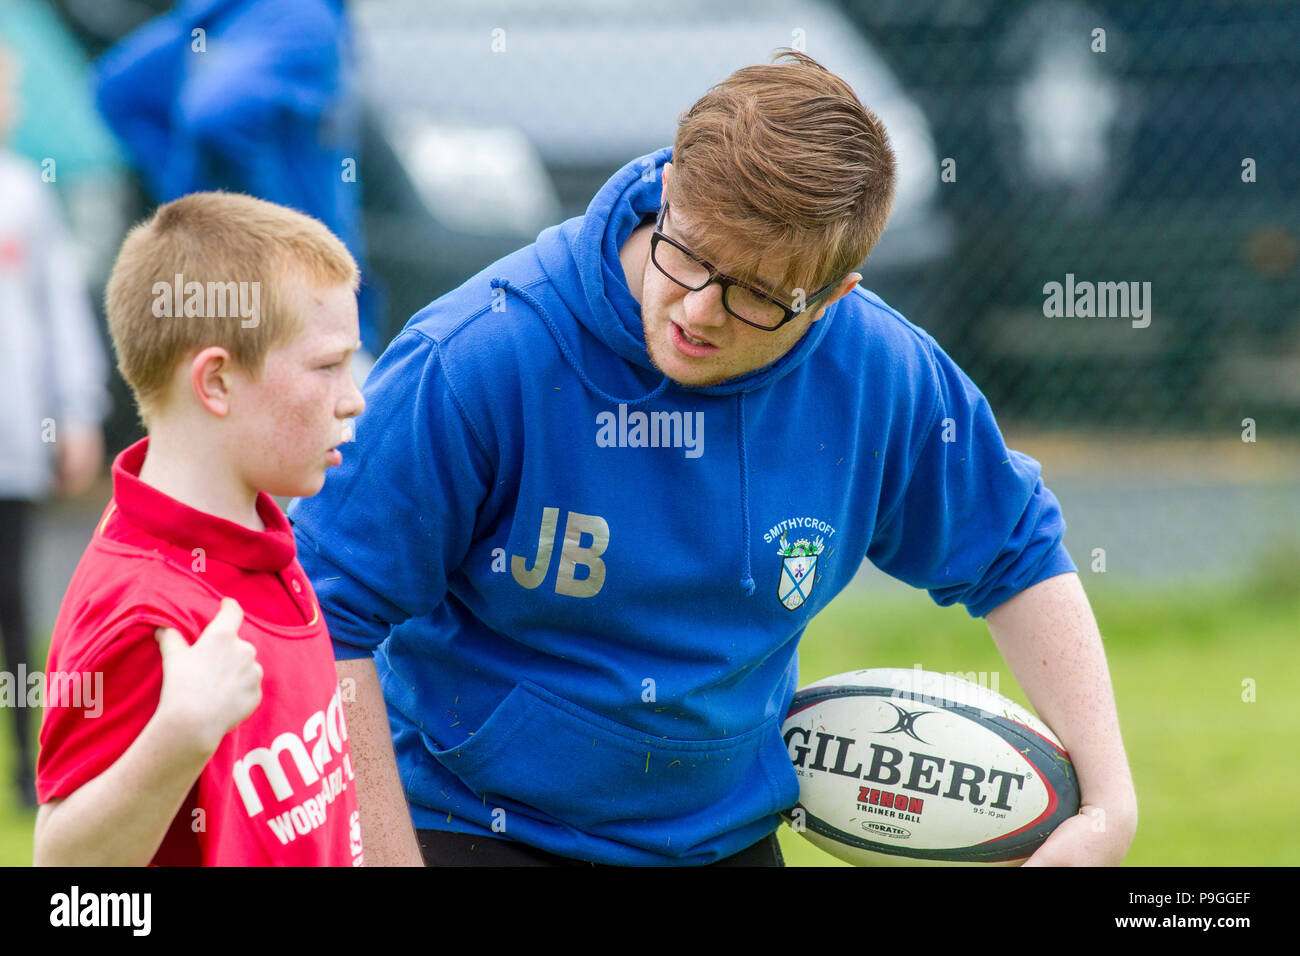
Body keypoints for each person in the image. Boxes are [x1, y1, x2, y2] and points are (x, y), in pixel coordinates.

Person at [289, 51, 1138, 867]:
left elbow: (1016, 550)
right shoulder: (479, 357)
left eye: (757, 294)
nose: (698, 309)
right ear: (666, 192)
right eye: (687, 252)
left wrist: (1109, 803)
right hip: (474, 826)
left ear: (834, 295)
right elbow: (324, 609)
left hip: (721, 839)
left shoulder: (879, 373)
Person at [34, 192, 367, 865]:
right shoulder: (144, 616)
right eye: (327, 366)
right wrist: (180, 734)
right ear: (215, 381)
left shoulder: (260, 534)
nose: (353, 396)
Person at [92, 0, 384, 366]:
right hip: (298, 304)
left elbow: (119, 91)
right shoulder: (305, 16)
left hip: (222, 292)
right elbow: (215, 118)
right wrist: (275, 236)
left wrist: (192, 193)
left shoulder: (223, 14)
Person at [0, 44, 109, 810]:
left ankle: (26, 767)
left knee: (14, 601)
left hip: (12, 446)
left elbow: (61, 312)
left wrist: (75, 412)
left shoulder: (23, 197)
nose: (14, 103)